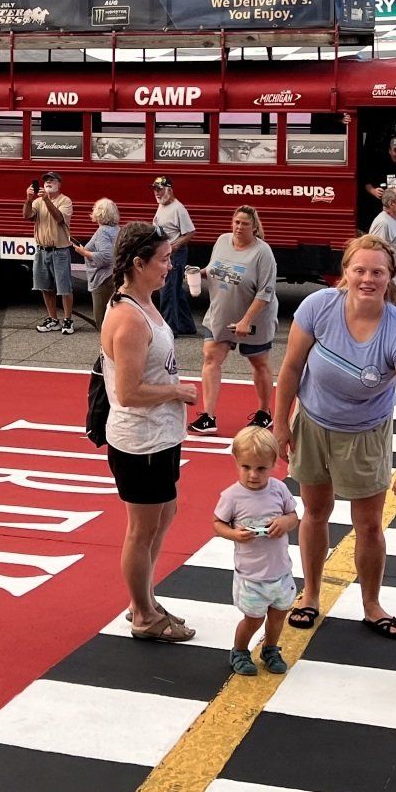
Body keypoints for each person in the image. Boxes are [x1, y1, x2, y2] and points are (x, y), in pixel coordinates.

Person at [274, 233, 396, 637]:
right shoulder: (318, 307)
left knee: (367, 524)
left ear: (390, 277)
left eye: (377, 272)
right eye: (358, 269)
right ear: (344, 273)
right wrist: (279, 424)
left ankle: (372, 603)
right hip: (312, 422)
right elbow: (291, 368)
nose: (367, 278)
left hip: (364, 433)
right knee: (315, 511)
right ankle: (309, 594)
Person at [101, 221, 200, 643]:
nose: (170, 266)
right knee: (141, 531)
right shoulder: (129, 318)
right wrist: (176, 391)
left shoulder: (142, 302)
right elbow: (127, 392)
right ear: (138, 264)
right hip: (140, 441)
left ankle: (144, 596)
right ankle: (142, 612)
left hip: (159, 436)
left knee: (166, 513)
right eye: (163, 260)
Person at [212, 425, 300, 677]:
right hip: (251, 575)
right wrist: (234, 534)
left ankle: (270, 649)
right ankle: (239, 650)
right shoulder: (232, 496)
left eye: (261, 468)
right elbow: (217, 523)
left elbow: (293, 515)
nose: (253, 475)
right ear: (236, 462)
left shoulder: (279, 489)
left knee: (278, 615)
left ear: (273, 463)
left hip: (281, 571)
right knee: (253, 619)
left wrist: (285, 523)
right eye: (246, 467)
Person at [190, 206, 279, 434]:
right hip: (221, 313)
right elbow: (215, 268)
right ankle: (208, 416)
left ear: (255, 227)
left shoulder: (263, 252)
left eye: (245, 224)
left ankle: (264, 412)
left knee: (258, 362)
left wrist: (246, 320)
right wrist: (199, 273)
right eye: (236, 222)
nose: (239, 227)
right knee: (211, 357)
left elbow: (265, 292)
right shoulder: (222, 241)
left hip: (255, 316)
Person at [25, 172, 77, 334]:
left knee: (64, 287)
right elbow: (27, 216)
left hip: (59, 250)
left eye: (52, 180)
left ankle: (68, 320)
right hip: (41, 250)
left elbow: (60, 218)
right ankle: (53, 319)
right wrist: (28, 200)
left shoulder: (65, 201)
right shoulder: (38, 202)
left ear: (59, 184)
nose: (48, 183)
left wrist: (47, 201)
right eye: (46, 181)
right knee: (45, 287)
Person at [150, 176, 198, 336]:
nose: (157, 192)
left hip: (174, 255)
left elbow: (190, 232)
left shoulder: (178, 209)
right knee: (175, 290)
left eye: (160, 189)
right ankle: (187, 326)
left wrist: (175, 245)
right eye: (155, 189)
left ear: (169, 190)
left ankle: (169, 329)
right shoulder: (162, 205)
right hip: (164, 252)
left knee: (167, 290)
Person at [73, 198, 121, 328]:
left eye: (95, 209)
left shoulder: (103, 232)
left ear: (100, 213)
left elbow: (106, 256)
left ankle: (106, 347)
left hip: (103, 280)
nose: (93, 211)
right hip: (115, 276)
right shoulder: (116, 229)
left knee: (102, 321)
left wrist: (84, 252)